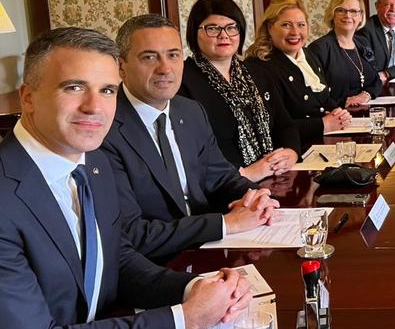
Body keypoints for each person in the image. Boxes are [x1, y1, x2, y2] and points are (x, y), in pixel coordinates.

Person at [0, 27, 251, 329]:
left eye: (108, 90)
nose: (94, 107)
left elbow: (115, 258)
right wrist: (184, 319)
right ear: (27, 97)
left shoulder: (91, 164)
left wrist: (195, 289)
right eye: (74, 87)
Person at [102, 14, 280, 262]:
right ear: (121, 66)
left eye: (173, 55)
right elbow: (132, 233)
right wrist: (224, 224)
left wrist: (255, 197)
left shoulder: (190, 111)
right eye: (149, 57)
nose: (165, 68)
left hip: (211, 250)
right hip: (156, 265)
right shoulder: (104, 128)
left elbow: (221, 178)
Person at [178, 0, 300, 181]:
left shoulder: (257, 72)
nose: (224, 35)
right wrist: (248, 173)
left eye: (231, 27)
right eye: (212, 28)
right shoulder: (183, 82)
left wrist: (291, 154)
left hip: (276, 177)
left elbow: (285, 125)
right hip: (227, 186)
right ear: (194, 32)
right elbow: (192, 151)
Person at [244, 0, 352, 149]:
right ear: (269, 27)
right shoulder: (258, 66)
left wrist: (339, 113)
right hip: (292, 151)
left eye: (301, 25)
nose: (295, 32)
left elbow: (323, 98)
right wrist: (322, 124)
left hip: (323, 142)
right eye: (286, 25)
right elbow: (270, 127)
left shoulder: (308, 55)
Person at [309, 0, 383, 108]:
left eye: (354, 11)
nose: (347, 15)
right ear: (332, 14)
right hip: (338, 115)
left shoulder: (363, 43)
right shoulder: (320, 48)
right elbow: (317, 93)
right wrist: (345, 101)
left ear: (361, 17)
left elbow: (376, 80)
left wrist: (366, 95)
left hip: (367, 111)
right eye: (341, 10)